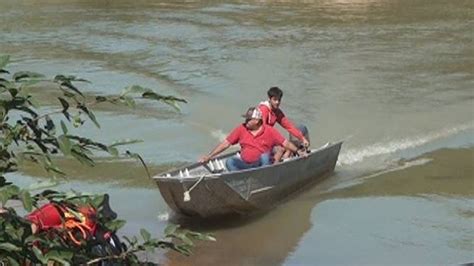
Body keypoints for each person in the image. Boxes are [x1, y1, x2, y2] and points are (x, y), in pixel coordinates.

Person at [199, 107, 306, 171]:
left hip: (262, 166)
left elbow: (285, 143)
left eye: (248, 119)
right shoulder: (241, 128)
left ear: (256, 121)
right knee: (230, 162)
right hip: (246, 165)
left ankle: (262, 177)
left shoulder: (269, 131)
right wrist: (209, 156)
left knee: (264, 157)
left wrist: (298, 152)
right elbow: (226, 144)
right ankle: (239, 179)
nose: (246, 121)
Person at [258, 86, 310, 161]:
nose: (277, 102)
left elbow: (289, 127)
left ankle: (284, 160)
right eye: (275, 100)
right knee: (282, 148)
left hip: (268, 138)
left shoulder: (277, 112)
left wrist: (302, 138)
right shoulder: (264, 110)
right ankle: (275, 165)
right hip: (260, 139)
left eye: (279, 100)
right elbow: (263, 128)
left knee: (289, 148)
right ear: (269, 99)